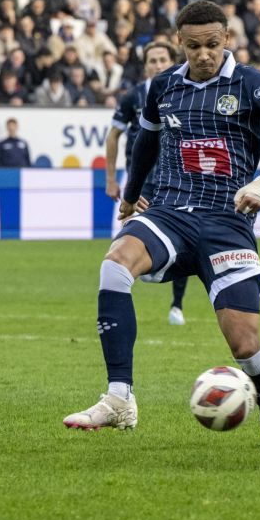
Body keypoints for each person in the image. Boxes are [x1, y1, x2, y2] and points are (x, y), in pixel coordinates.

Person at [63, 0, 260, 450]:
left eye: (211, 44)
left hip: (227, 221)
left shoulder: (252, 84)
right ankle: (119, 397)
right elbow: (144, 145)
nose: (203, 54)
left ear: (227, 38)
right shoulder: (162, 87)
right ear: (180, 44)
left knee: (245, 346)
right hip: (170, 210)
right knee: (115, 264)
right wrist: (130, 200)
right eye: (193, 46)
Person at [105, 40, 190, 326]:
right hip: (142, 182)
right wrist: (111, 179)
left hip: (177, 179)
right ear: (145, 66)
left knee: (183, 238)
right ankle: (126, 291)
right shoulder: (132, 97)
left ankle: (177, 304)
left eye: (162, 59)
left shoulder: (185, 91)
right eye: (152, 61)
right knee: (129, 240)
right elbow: (113, 136)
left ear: (172, 61)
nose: (157, 65)